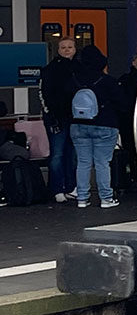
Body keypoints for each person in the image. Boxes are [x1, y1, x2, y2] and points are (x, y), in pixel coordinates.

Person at [69, 45, 126, 209]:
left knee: (83, 162)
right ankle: (106, 198)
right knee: (102, 163)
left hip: (78, 125)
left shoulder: (74, 80)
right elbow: (122, 103)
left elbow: (64, 100)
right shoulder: (107, 81)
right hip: (105, 124)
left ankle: (82, 198)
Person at [40, 37, 78, 203]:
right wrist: (51, 117)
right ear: (58, 49)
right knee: (57, 154)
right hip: (57, 118)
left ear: (75, 49)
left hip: (75, 118)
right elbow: (44, 95)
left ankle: (71, 187)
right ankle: (57, 188)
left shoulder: (79, 68)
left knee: (73, 155)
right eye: (63, 47)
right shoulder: (50, 69)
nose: (67, 50)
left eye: (70, 47)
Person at [117, 51, 137, 190]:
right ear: (133, 62)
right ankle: (133, 176)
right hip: (130, 120)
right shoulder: (127, 79)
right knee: (131, 149)